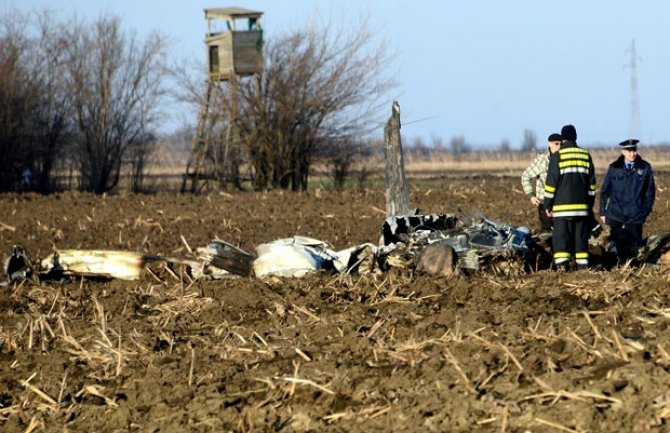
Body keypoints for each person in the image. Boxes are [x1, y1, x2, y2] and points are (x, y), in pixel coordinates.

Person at [543, 124, 596, 271]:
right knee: (581, 240)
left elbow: (550, 185)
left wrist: (548, 205)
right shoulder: (586, 155)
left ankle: (562, 268)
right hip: (581, 209)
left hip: (561, 210)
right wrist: (589, 206)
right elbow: (592, 186)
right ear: (576, 137)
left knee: (561, 239)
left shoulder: (557, 157)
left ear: (563, 139)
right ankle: (583, 269)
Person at [599, 138, 656, 262]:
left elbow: (650, 192)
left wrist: (645, 210)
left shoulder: (645, 168)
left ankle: (632, 267)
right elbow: (604, 191)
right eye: (629, 150)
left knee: (634, 247)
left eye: (634, 150)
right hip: (615, 213)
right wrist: (603, 212)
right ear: (623, 152)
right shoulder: (614, 168)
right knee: (613, 245)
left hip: (635, 214)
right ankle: (613, 267)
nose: (632, 153)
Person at [521, 133, 562, 233]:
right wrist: (531, 196)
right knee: (547, 233)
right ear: (550, 144)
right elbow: (525, 176)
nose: (559, 147)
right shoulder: (542, 160)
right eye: (557, 144)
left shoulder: (565, 159)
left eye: (561, 144)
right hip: (544, 203)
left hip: (561, 203)